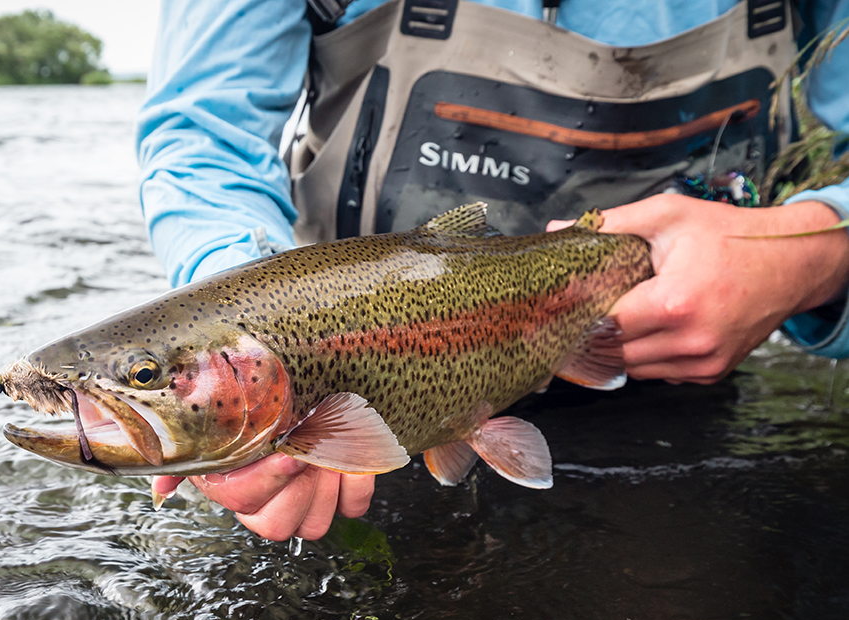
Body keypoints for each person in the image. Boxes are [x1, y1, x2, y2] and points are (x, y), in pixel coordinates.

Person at [138, 0, 849, 541]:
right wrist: (252, 347)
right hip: (355, 406)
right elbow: (205, 140)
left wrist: (812, 251)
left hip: (688, 403)